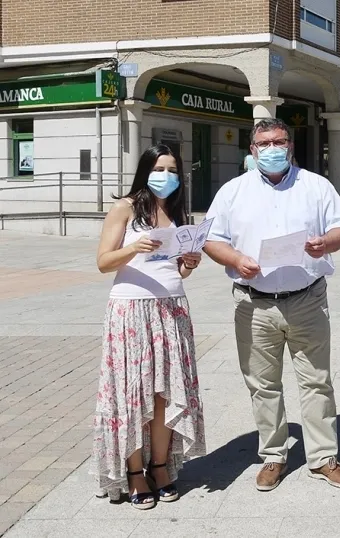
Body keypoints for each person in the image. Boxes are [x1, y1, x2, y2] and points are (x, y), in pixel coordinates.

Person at [204, 118, 340, 491]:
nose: (273, 148)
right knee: (263, 384)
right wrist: (235, 260)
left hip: (307, 299)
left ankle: (323, 458)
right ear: (252, 150)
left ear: (290, 145)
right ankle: (273, 456)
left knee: (317, 381)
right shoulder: (232, 192)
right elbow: (210, 238)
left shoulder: (315, 186)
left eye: (280, 141)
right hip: (254, 304)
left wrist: (327, 243)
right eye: (264, 143)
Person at [91, 144, 206, 510]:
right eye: (160, 168)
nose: (167, 176)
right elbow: (103, 262)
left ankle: (160, 465)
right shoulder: (124, 207)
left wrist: (189, 263)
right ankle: (134, 471)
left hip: (172, 308)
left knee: (163, 395)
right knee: (132, 393)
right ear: (145, 170)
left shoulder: (176, 211)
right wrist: (134, 247)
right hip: (130, 310)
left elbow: (177, 269)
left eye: (173, 170)